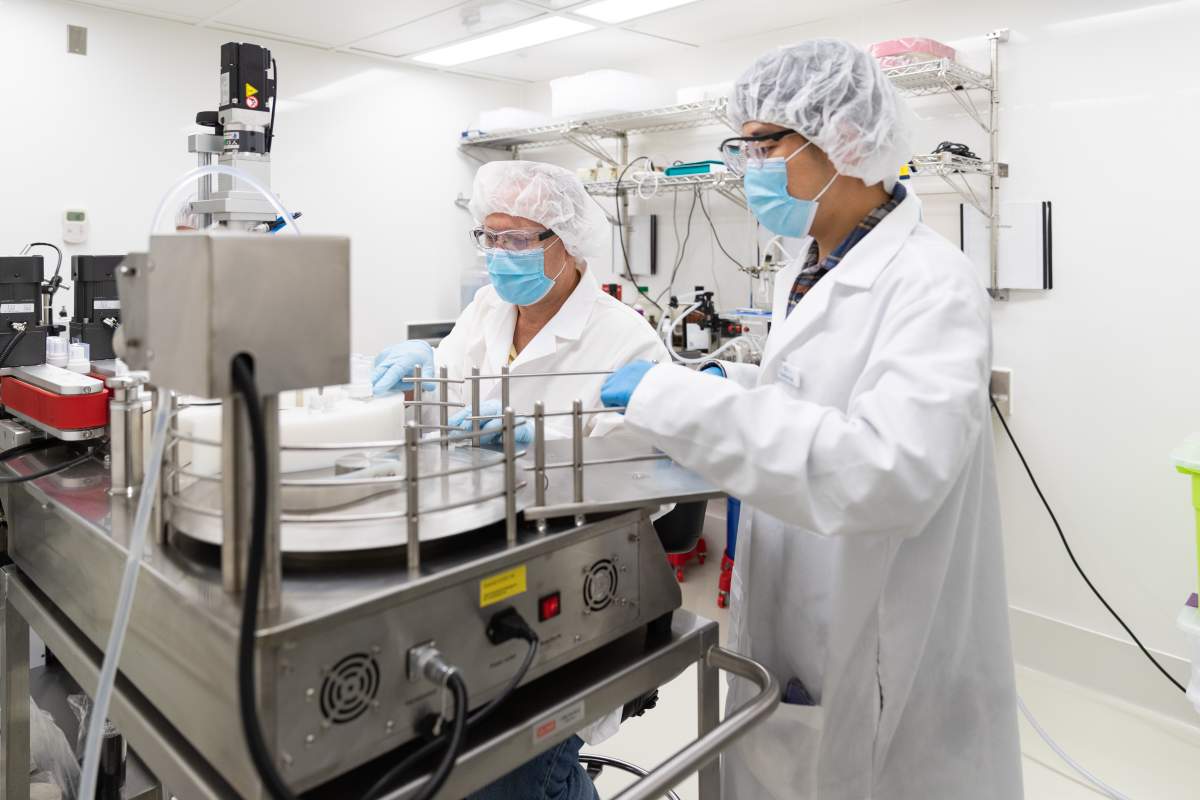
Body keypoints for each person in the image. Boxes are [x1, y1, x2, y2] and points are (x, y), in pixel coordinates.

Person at [601, 40, 1023, 800]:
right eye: (743, 144)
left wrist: (681, 402)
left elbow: (883, 472)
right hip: (794, 596)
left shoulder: (933, 283)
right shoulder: (809, 259)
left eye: (763, 144)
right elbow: (815, 392)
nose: (745, 165)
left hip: (880, 635)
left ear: (845, 141)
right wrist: (730, 379)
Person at [373, 160, 669, 800]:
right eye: (489, 237)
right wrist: (422, 376)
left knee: (522, 765)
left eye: (517, 239)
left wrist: (544, 442)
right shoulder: (487, 309)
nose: (498, 255)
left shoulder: (626, 339)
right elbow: (445, 402)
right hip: (475, 548)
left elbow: (653, 474)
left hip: (571, 570)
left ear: (566, 242)